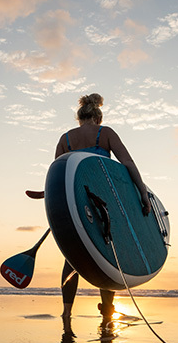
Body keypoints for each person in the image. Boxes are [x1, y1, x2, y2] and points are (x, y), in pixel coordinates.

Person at [54, 93, 151, 320]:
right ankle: (107, 312)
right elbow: (127, 163)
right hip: (102, 203)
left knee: (72, 257)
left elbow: (56, 177)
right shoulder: (104, 133)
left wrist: (46, 197)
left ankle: (67, 312)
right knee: (107, 253)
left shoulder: (65, 139)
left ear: (80, 117)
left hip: (75, 206)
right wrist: (143, 193)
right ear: (98, 116)